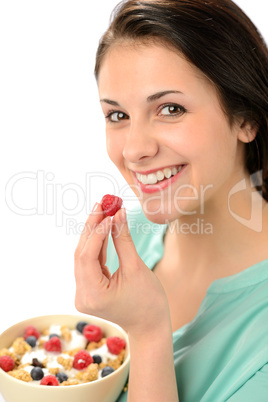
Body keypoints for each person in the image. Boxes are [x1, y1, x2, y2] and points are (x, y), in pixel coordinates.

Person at [74, 0, 268, 400]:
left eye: (170, 109)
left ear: (246, 117)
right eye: (117, 116)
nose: (134, 149)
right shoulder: (124, 247)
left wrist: (148, 332)